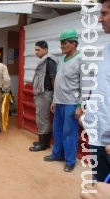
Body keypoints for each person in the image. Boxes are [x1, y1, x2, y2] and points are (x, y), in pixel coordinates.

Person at [43, 28, 91, 172]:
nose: (61, 46)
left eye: (64, 43)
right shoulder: (62, 61)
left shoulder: (81, 60)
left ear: (73, 43)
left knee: (69, 133)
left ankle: (70, 161)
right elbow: (59, 82)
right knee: (57, 131)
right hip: (60, 103)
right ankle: (57, 154)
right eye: (61, 43)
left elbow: (86, 85)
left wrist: (80, 106)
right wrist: (54, 100)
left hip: (71, 104)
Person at [82, 0, 110, 183]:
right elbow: (101, 86)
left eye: (105, 13)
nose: (99, 19)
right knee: (100, 187)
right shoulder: (107, 48)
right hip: (99, 137)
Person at [29, 41, 58, 152]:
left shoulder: (49, 61)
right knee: (42, 117)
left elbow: (53, 79)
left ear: (45, 50)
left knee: (42, 118)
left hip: (45, 93)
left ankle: (42, 143)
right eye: (35, 50)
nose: (36, 52)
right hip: (41, 93)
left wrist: (55, 96)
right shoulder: (43, 61)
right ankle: (45, 143)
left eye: (38, 50)